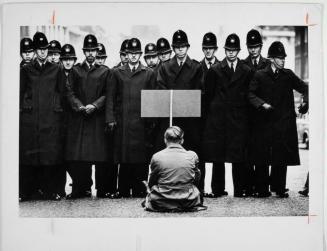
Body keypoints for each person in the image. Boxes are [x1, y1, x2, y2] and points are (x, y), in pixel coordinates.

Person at [248, 41, 308, 198]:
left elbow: (305, 88)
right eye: (280, 58)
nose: (283, 61)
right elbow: (250, 95)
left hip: (283, 124)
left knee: (281, 156)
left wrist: (305, 103)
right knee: (262, 156)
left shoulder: (288, 75)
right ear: (272, 59)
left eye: (284, 58)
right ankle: (262, 189)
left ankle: (279, 187)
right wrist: (262, 104)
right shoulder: (260, 75)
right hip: (264, 123)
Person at [202, 33, 253, 198]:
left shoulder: (246, 70)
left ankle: (240, 189)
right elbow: (208, 97)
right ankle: (218, 189)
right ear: (224, 50)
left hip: (238, 119)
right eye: (228, 50)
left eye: (234, 50)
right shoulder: (215, 70)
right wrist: (211, 119)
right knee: (218, 156)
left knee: (238, 156)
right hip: (219, 120)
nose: (231, 53)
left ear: (238, 50)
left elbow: (249, 95)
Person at [65, 34, 114, 199]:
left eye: (93, 50)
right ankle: (81, 188)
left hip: (97, 119)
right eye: (88, 50)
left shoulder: (105, 71)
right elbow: (69, 92)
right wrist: (79, 106)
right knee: (81, 156)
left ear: (96, 51)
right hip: (80, 119)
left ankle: (103, 189)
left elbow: (109, 94)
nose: (91, 53)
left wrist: (95, 105)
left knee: (100, 155)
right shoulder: (76, 70)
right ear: (84, 51)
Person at [106, 38, 156, 198]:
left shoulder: (148, 73)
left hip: (141, 123)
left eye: (136, 53)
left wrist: (151, 122)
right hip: (123, 122)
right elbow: (110, 98)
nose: (133, 56)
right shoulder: (117, 73)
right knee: (124, 155)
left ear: (140, 54)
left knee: (140, 157)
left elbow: (153, 99)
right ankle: (123, 189)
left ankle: (140, 188)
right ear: (126, 54)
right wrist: (110, 118)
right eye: (130, 53)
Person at [20, 32, 65, 201]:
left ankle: (51, 191)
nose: (43, 52)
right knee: (30, 154)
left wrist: (59, 111)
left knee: (50, 155)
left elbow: (62, 93)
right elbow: (20, 92)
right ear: (35, 51)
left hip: (50, 118)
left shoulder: (56, 69)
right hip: (31, 119)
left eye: (45, 49)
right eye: (39, 49)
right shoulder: (26, 69)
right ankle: (27, 192)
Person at [156, 30, 203, 157]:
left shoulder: (196, 67)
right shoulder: (164, 67)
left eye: (183, 46)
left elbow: (200, 93)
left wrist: (186, 102)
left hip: (190, 120)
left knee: (190, 154)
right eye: (177, 47)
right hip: (171, 118)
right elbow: (161, 90)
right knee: (171, 156)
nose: (180, 50)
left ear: (187, 47)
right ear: (173, 48)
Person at [143, 126, 206, 212]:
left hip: (163, 200)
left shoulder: (157, 156)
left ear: (165, 140)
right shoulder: (192, 155)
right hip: (188, 200)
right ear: (182, 140)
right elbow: (196, 179)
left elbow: (152, 181)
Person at [242, 29, 271, 196]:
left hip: (263, 115)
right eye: (250, 47)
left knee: (262, 152)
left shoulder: (268, 64)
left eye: (256, 46)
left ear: (261, 46)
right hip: (247, 116)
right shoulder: (242, 64)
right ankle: (248, 186)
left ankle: (262, 187)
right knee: (247, 152)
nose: (253, 50)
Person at [199, 32, 219, 196]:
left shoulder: (221, 67)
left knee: (218, 153)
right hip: (202, 117)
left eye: (211, 48)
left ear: (215, 49)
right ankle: (200, 187)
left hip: (218, 116)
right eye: (205, 48)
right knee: (202, 154)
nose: (208, 51)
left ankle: (218, 188)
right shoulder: (198, 67)